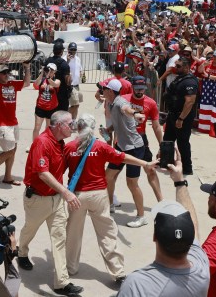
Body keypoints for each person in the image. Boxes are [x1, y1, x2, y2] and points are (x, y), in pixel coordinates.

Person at [64, 114, 159, 284]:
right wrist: (145, 164)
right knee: (108, 234)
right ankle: (118, 273)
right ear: (93, 129)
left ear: (78, 127)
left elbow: (57, 169)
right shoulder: (100, 146)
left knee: (72, 234)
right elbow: (123, 157)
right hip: (99, 196)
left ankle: (70, 268)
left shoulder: (70, 147)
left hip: (76, 197)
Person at [117, 152, 210, 297]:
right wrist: (180, 182)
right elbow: (194, 226)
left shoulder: (137, 284)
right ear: (191, 240)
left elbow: (193, 228)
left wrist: (178, 183)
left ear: (154, 237)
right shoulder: (201, 266)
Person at [17, 111, 83, 297]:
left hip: (56, 200)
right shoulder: (42, 142)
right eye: (70, 123)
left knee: (59, 239)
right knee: (30, 229)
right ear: (58, 125)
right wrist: (66, 192)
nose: (73, 126)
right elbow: (42, 173)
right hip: (38, 199)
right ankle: (21, 252)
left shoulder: (61, 143)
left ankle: (62, 283)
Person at [104, 79, 152, 228]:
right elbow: (118, 122)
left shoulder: (119, 102)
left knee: (132, 183)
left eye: (104, 89)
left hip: (134, 148)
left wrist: (136, 114)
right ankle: (110, 205)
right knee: (108, 176)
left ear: (111, 91)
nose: (102, 90)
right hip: (121, 146)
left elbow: (127, 110)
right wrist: (109, 130)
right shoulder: (111, 103)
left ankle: (141, 216)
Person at [0, 61, 31, 185]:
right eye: (3, 73)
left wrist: (27, 68)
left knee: (13, 149)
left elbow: (26, 83)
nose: (6, 74)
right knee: (9, 151)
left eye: (7, 72)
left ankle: (8, 177)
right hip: (1, 124)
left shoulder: (12, 84)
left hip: (13, 122)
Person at [122, 76, 164, 202]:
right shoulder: (124, 100)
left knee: (150, 170)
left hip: (140, 140)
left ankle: (161, 202)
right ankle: (110, 201)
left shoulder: (151, 103)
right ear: (132, 87)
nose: (140, 91)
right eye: (137, 88)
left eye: (142, 88)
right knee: (111, 173)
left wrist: (162, 146)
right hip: (124, 139)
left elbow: (156, 127)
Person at [163, 57, 198, 175]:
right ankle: (166, 162)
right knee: (168, 139)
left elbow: (190, 102)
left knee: (183, 143)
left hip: (182, 117)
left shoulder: (190, 82)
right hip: (173, 114)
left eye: (178, 66)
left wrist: (181, 118)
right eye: (175, 65)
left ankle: (187, 169)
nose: (175, 68)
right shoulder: (180, 78)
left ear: (186, 67)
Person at [32, 62, 60, 142]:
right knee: (37, 127)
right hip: (40, 107)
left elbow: (55, 85)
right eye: (49, 70)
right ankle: (35, 144)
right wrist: (41, 74)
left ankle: (45, 144)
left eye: (52, 71)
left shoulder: (57, 80)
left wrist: (48, 78)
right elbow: (35, 85)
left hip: (51, 108)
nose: (50, 72)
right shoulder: (42, 80)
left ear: (55, 72)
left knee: (48, 129)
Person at [44, 42, 71, 112]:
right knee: (62, 115)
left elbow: (44, 75)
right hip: (61, 94)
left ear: (53, 51)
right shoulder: (64, 64)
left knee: (51, 116)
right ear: (62, 52)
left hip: (49, 92)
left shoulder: (47, 61)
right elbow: (68, 81)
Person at [66, 42, 83, 120]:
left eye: (74, 50)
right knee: (75, 105)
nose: (73, 51)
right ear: (68, 50)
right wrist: (67, 61)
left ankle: (73, 121)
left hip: (77, 85)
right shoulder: (65, 59)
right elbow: (63, 69)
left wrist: (81, 74)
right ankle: (63, 117)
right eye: (71, 50)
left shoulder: (78, 59)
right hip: (70, 85)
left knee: (77, 105)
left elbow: (80, 69)